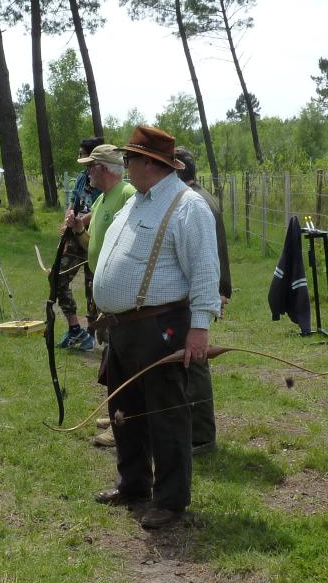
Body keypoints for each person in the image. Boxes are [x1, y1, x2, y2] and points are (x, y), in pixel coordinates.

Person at [91, 126, 220, 530]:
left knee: (166, 413)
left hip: (161, 325)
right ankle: (133, 483)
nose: (125, 165)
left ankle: (170, 499)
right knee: (124, 409)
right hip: (124, 327)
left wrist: (199, 329)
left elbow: (204, 272)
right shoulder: (137, 203)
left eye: (130, 158)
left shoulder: (187, 206)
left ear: (151, 163)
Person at [65, 144, 135, 449]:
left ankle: (126, 419)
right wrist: (79, 227)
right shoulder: (105, 199)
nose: (87, 172)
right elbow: (91, 241)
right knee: (113, 354)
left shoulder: (128, 195)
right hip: (104, 287)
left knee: (126, 359)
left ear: (104, 168)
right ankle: (117, 411)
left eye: (90, 167)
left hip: (123, 293)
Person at [173, 147, 231, 455]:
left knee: (195, 362)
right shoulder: (201, 197)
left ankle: (202, 437)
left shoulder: (195, 203)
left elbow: (209, 257)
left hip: (201, 292)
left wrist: (216, 293)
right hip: (207, 290)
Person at [54, 136, 103, 352]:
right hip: (74, 237)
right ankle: (75, 329)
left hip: (93, 237)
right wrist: (68, 220)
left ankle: (91, 333)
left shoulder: (103, 178)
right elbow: (72, 203)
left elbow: (101, 209)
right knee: (57, 277)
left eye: (82, 154)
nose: (79, 157)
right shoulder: (82, 178)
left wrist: (80, 223)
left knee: (93, 287)